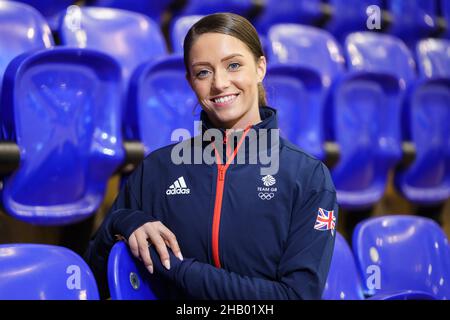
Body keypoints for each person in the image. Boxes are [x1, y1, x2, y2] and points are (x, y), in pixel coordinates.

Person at [84, 12, 338, 300]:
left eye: (233, 65)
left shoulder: (308, 177)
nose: (219, 83)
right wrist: (122, 222)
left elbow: (295, 296)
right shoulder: (158, 169)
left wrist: (177, 269)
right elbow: (96, 276)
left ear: (260, 68)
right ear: (191, 81)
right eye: (203, 72)